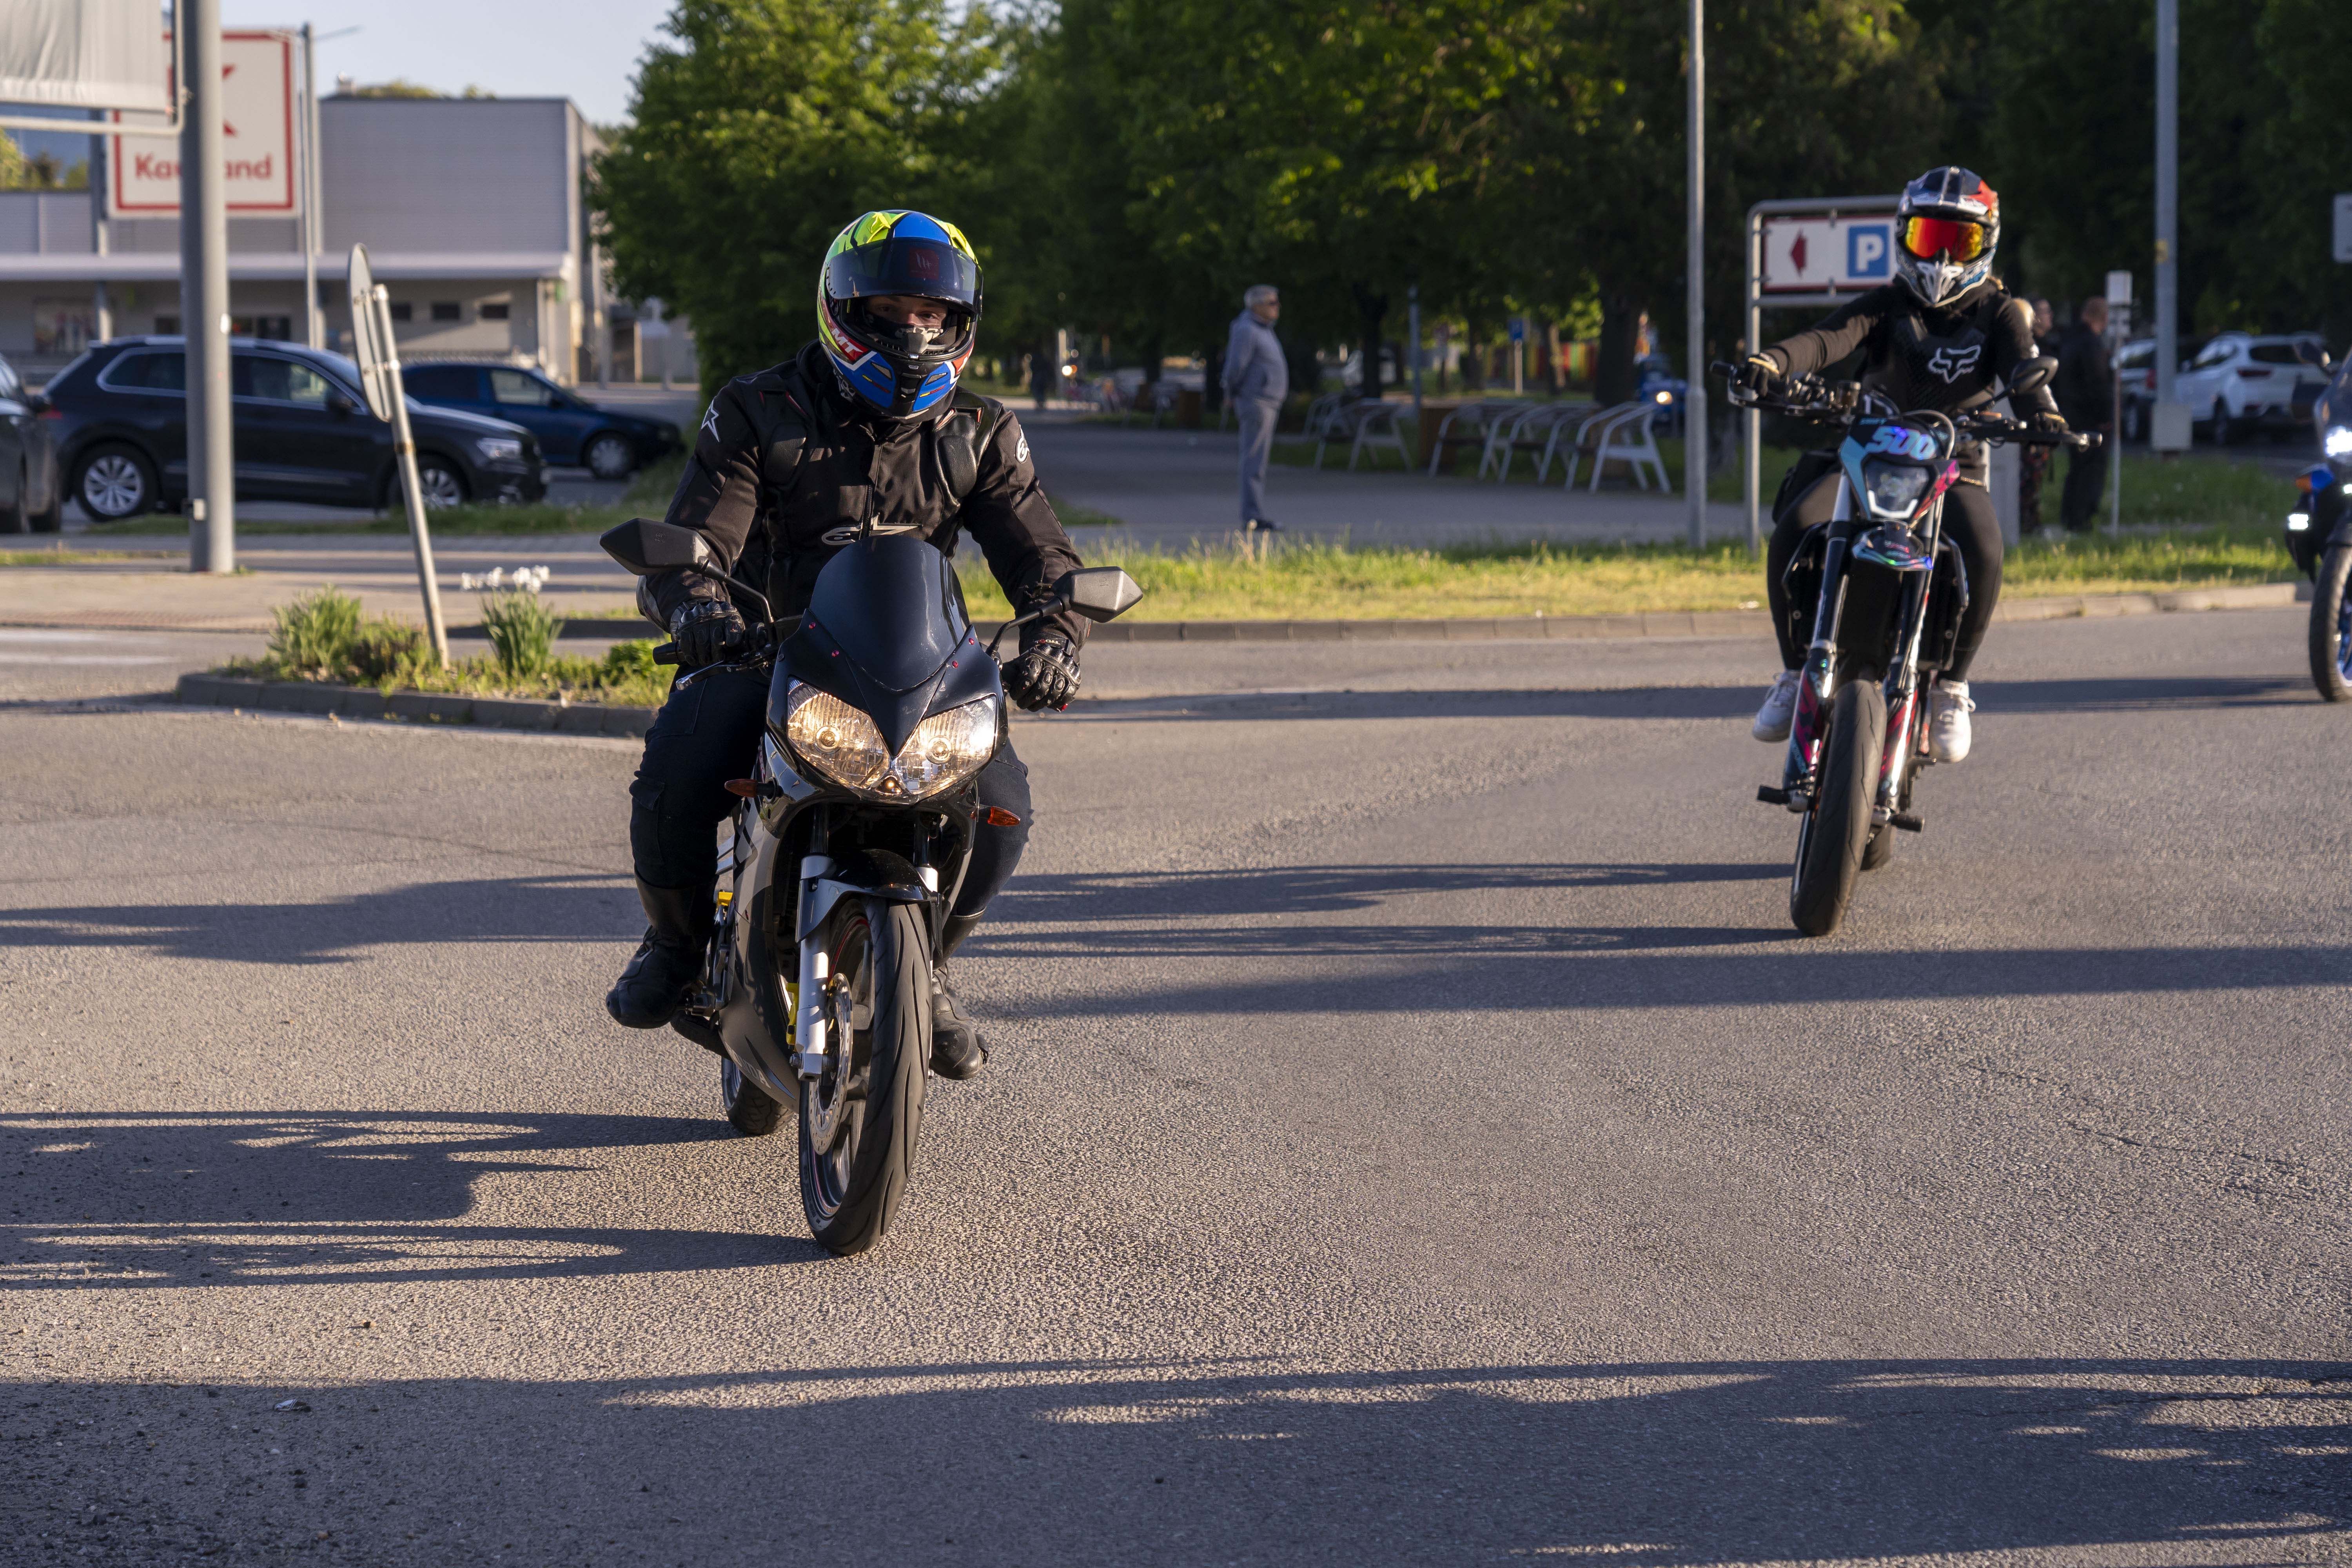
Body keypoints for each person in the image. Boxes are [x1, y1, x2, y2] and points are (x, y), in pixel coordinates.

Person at [605, 209, 1090, 1081]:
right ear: (844, 312)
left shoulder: (982, 430)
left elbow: (1044, 559)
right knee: (677, 767)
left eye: (933, 315)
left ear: (961, 324)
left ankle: (929, 968)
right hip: (767, 652)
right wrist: (699, 608)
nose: (914, 333)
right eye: (891, 311)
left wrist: (1056, 635)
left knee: (1003, 804)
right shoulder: (760, 409)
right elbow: (698, 541)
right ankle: (675, 945)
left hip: (919, 670)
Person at [1735, 166, 2065, 765]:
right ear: (1903, 235)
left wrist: (2044, 414)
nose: (1941, 257)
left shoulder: (1998, 313)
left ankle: (1953, 685)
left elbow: (2024, 371)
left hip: (1952, 468)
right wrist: (1772, 363)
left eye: (1958, 241)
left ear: (1986, 244)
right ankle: (1793, 671)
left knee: (1985, 549)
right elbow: (1825, 339)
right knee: (1795, 526)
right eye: (1928, 236)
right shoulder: (1886, 304)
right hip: (1865, 457)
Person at [1222, 285, 1289, 533]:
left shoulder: (1264, 329)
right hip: (1257, 402)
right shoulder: (1247, 329)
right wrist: (1231, 393)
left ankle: (1255, 514)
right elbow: (1235, 366)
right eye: (1272, 303)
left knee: (1258, 461)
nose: (1277, 307)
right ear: (1256, 306)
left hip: (1268, 401)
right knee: (1254, 461)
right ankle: (1253, 517)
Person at [2054, 297, 2115, 533]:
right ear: (2104, 318)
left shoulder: (2070, 340)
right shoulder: (2091, 344)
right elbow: (2097, 382)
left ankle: (2069, 515)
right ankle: (2082, 519)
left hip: (2071, 413)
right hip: (2091, 417)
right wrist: (2105, 416)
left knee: (2077, 467)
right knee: (2091, 469)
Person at [2018, 298, 2058, 533]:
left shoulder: (2050, 345)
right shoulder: (2029, 348)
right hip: (2030, 425)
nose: (2049, 316)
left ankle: (2031, 518)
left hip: (2044, 421)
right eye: (2045, 312)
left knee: (2035, 476)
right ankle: (2026, 520)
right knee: (2028, 476)